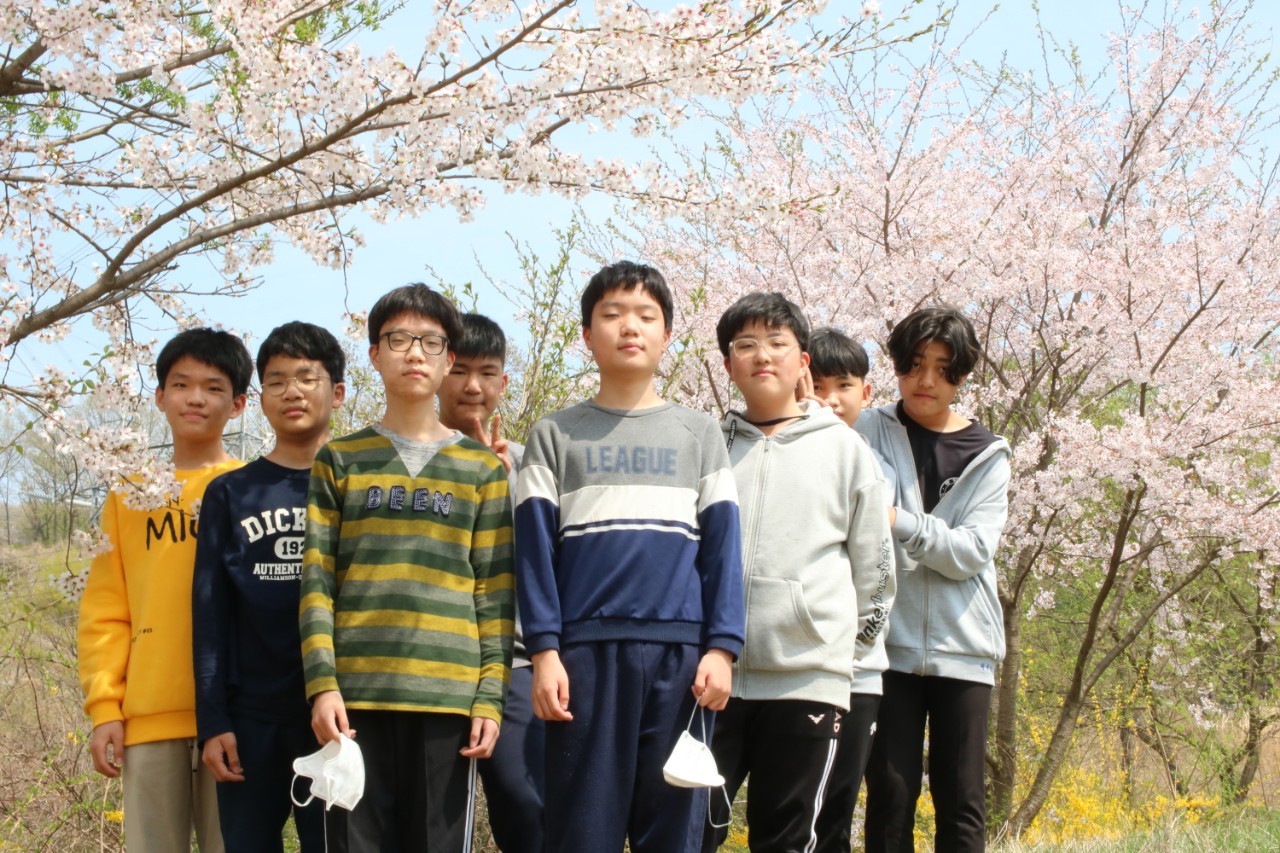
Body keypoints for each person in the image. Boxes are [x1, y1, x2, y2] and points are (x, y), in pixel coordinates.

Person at [515, 260, 746, 853]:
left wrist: (722, 648)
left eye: (646, 315)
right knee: (580, 833)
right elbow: (534, 555)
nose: (629, 327)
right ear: (587, 334)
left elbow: (723, 551)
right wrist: (544, 652)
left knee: (673, 833)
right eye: (612, 314)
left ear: (666, 335)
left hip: (682, 661)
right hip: (582, 659)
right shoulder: (554, 435)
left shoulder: (700, 435)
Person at [299, 284, 514, 852]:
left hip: (449, 701)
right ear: (374, 354)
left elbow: (494, 593)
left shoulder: (481, 470)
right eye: (398, 339)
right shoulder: (339, 460)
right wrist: (322, 687)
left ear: (448, 358)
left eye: (431, 342)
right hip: (355, 701)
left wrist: (490, 698)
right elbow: (317, 583)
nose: (415, 353)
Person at [702, 295, 892, 853]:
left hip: (807, 680)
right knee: (690, 833)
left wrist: (839, 658)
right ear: (728, 363)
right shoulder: (708, 447)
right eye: (746, 345)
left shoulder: (846, 450)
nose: (762, 355)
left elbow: (877, 571)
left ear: (802, 361)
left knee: (787, 840)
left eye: (777, 343)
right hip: (713, 679)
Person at [78, 327, 252, 853]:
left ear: (239, 404)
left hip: (238, 716)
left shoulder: (253, 490)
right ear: (159, 396)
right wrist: (105, 708)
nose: (195, 398)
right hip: (150, 717)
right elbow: (107, 609)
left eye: (214, 387)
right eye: (181, 384)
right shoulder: (128, 495)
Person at [856, 306, 1012, 853]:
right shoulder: (867, 429)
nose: (926, 381)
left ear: (962, 375)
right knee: (890, 796)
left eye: (943, 369)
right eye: (914, 364)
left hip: (963, 647)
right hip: (887, 646)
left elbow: (971, 552)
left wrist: (897, 520)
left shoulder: (988, 454)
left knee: (961, 798)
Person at [193, 322, 347, 852]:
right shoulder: (230, 493)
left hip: (337, 714)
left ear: (337, 392)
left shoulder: (356, 485)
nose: (292, 392)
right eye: (277, 381)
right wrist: (213, 720)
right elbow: (209, 614)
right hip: (249, 719)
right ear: (260, 399)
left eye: (307, 378)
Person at [437, 312, 545, 853]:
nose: (472, 386)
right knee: (432, 816)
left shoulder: (529, 465)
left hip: (514, 661)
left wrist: (504, 488)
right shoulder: (408, 461)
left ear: (504, 382)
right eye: (459, 371)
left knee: (526, 803)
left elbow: (549, 560)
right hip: (433, 663)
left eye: (486, 373)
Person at [806, 327, 896, 853]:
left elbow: (878, 573)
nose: (830, 400)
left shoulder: (869, 465)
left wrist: (858, 649)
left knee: (834, 814)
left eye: (843, 386)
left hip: (855, 672)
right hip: (792, 670)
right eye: (817, 386)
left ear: (866, 392)